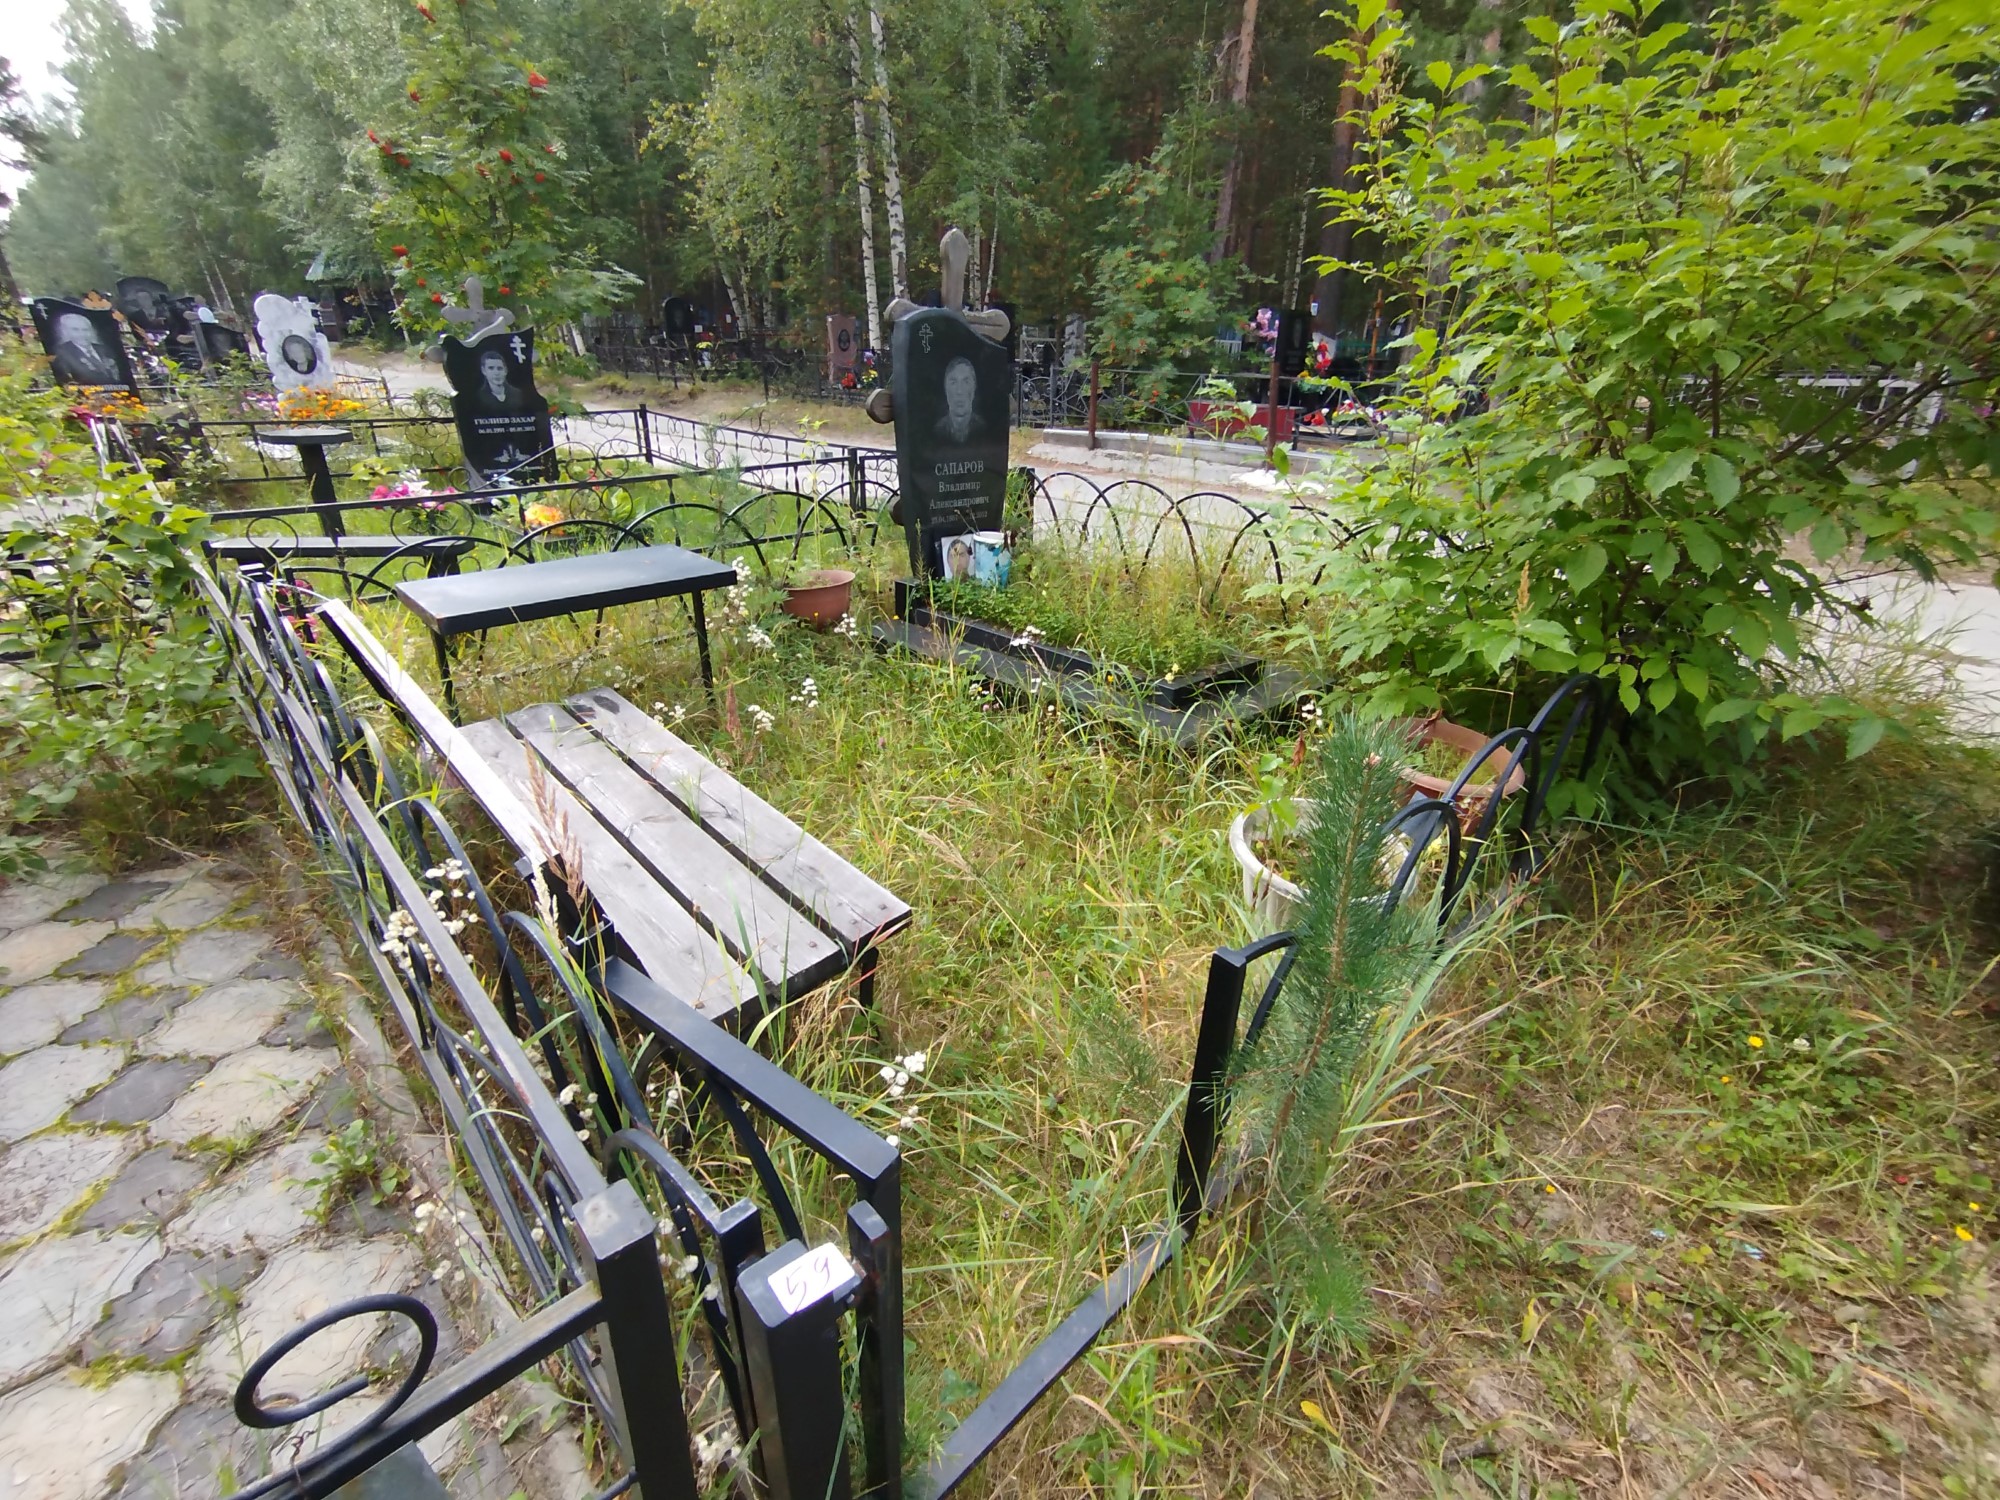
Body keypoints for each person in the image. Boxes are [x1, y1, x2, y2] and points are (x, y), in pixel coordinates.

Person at [50, 311, 121, 384]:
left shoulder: (104, 349)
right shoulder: (62, 352)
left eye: (85, 330)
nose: (82, 334)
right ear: (66, 332)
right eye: (75, 330)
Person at [935, 356, 984, 443]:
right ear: (946, 388)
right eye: (953, 382)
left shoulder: (983, 428)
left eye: (966, 382)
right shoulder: (936, 431)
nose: (959, 391)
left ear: (974, 388)